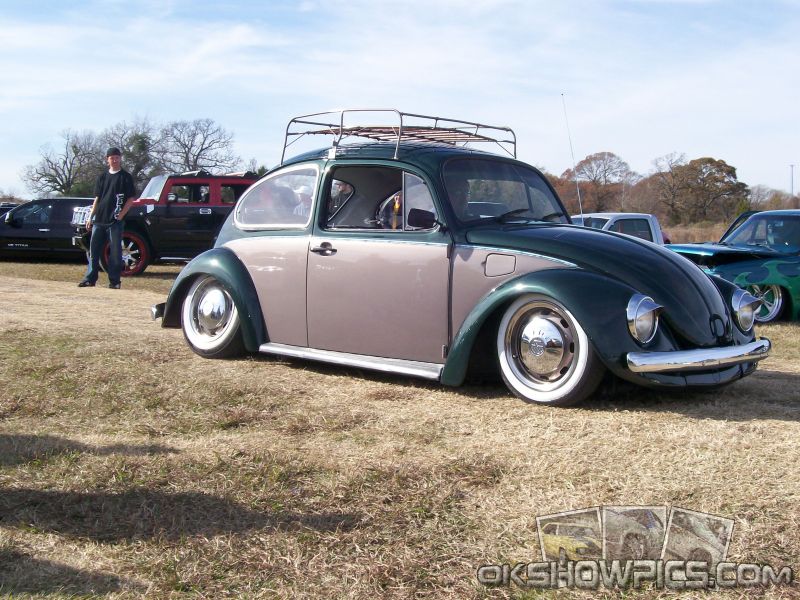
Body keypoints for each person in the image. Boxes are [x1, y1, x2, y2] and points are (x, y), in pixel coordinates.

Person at [78, 147, 136, 289]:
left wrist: (121, 215)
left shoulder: (125, 177)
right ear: (107, 160)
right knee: (93, 251)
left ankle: (115, 281)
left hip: (115, 221)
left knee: (115, 252)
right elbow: (97, 198)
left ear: (120, 159)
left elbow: (131, 199)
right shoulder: (102, 177)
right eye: (112, 158)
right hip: (99, 220)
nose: (114, 160)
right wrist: (90, 217)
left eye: (117, 157)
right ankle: (90, 279)